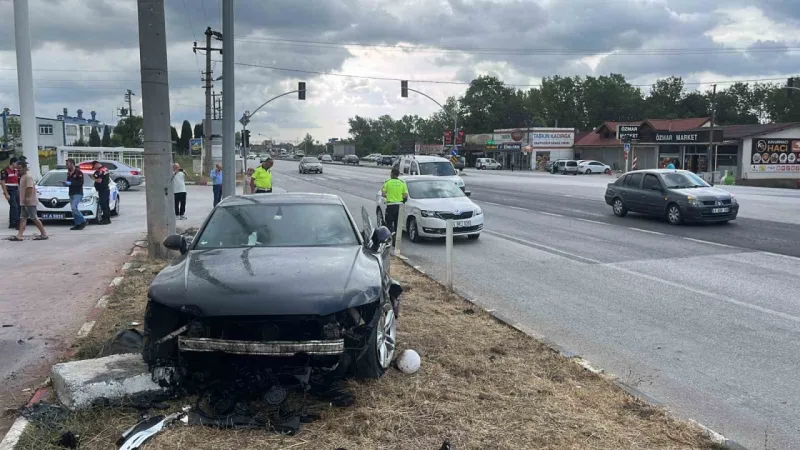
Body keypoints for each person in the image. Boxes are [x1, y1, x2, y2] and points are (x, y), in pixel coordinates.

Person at [10, 161, 48, 241]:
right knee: (23, 218)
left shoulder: (28, 177)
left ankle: (44, 234)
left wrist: (27, 198)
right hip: (24, 202)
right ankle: (19, 235)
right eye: (17, 169)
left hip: (29, 201)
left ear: (24, 168)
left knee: (34, 217)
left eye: (19, 168)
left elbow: (29, 188)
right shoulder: (23, 177)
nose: (18, 170)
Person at [381, 167, 408, 240]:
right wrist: (399, 197)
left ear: (392, 174)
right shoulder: (402, 183)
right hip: (399, 206)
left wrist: (389, 195)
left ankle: (392, 235)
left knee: (389, 223)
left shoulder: (387, 182)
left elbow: (383, 194)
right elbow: (405, 195)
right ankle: (396, 240)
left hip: (390, 206)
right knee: (397, 223)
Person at [65, 159, 86, 230]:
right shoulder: (68, 173)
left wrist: (71, 183)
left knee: (74, 207)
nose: (66, 166)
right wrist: (65, 183)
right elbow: (68, 182)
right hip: (71, 193)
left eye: (67, 164)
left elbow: (80, 183)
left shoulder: (78, 172)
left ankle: (83, 221)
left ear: (72, 164)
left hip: (78, 193)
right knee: (73, 210)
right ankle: (77, 224)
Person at [1, 157, 21, 229]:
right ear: (13, 163)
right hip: (10, 190)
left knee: (17, 206)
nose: (18, 165)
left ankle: (12, 222)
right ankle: (15, 222)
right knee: (14, 206)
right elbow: (2, 183)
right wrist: (6, 194)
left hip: (16, 190)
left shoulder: (16, 171)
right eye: (17, 163)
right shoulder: (5, 171)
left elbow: (17, 182)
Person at [92, 160, 112, 225]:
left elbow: (99, 181)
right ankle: (108, 219)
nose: (94, 168)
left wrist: (92, 178)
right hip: (106, 189)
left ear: (97, 164)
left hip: (103, 190)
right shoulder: (105, 169)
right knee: (106, 205)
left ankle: (105, 219)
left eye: (94, 166)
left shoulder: (100, 171)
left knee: (103, 205)